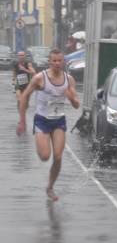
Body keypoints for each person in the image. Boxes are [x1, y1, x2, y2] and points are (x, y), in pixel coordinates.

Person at [16, 48, 80, 201]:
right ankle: (41, 146)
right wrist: (22, 120)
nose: (57, 63)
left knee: (58, 156)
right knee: (45, 156)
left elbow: (77, 105)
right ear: (49, 62)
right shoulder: (40, 78)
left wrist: (71, 98)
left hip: (58, 121)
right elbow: (25, 96)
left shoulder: (68, 79)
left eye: (60, 60)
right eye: (54, 61)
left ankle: (50, 187)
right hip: (42, 120)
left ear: (63, 61)